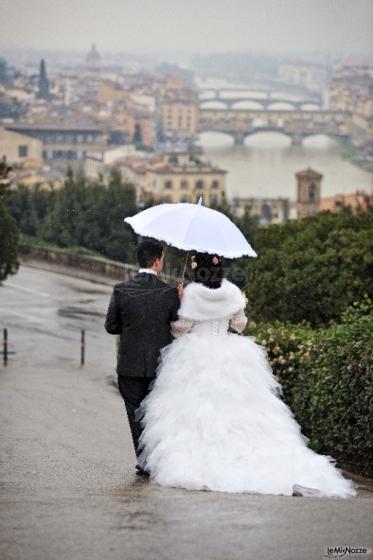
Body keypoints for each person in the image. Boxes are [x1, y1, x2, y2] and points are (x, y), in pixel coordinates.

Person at [134, 252, 357, 497]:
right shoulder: (231, 291)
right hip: (230, 353)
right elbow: (241, 326)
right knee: (243, 411)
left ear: (198, 268)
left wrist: (180, 304)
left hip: (195, 354)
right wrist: (238, 306)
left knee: (194, 412)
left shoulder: (193, 292)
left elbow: (182, 330)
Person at [104, 239, 182, 476]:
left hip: (129, 364)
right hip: (159, 365)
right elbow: (176, 323)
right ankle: (155, 458)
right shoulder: (169, 291)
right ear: (157, 261)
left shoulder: (121, 290)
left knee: (134, 412)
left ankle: (143, 460)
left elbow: (111, 326)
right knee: (156, 413)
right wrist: (179, 298)